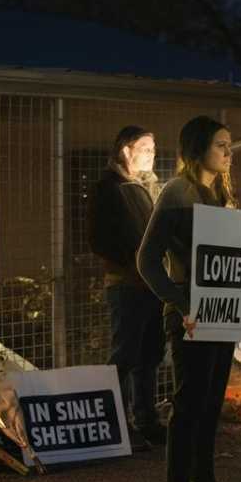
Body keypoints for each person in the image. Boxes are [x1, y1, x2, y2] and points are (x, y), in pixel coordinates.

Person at [138, 115, 241, 482]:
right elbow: (147, 260)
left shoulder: (223, 195)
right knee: (188, 403)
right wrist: (182, 304)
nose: (228, 152)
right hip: (190, 318)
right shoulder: (176, 193)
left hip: (222, 315)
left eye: (230, 144)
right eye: (221, 144)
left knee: (210, 402)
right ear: (198, 148)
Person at [87, 126, 165, 449]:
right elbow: (100, 239)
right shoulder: (109, 188)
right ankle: (115, 423)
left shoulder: (152, 188)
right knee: (126, 354)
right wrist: (130, 264)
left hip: (153, 285)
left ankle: (146, 420)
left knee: (151, 354)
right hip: (127, 284)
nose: (151, 154)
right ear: (125, 151)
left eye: (153, 148)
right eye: (144, 148)